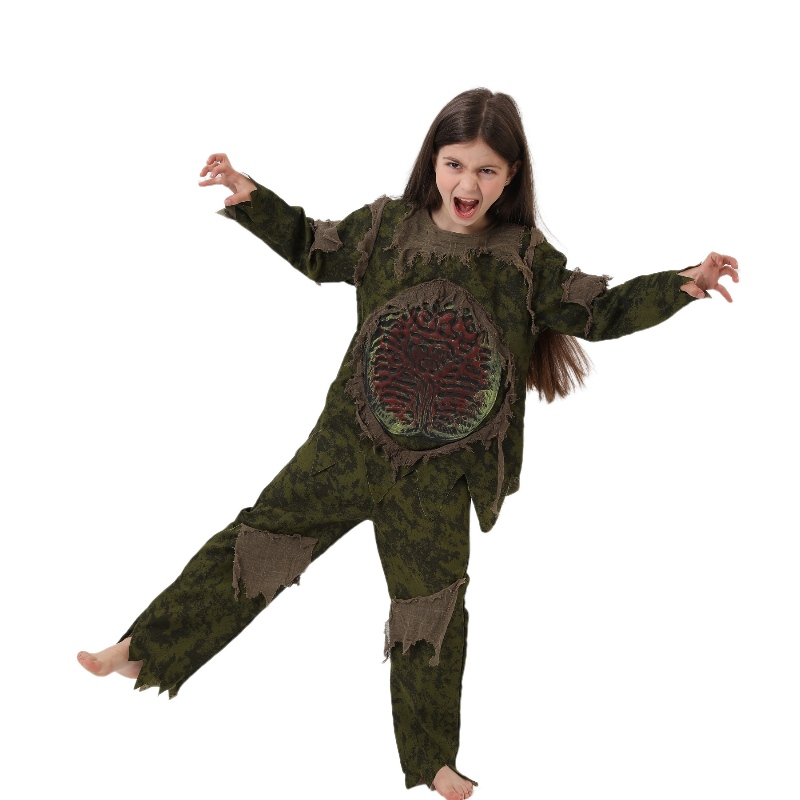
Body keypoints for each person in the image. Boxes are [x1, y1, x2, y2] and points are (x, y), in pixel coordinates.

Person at [77, 88, 738, 800]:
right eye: (455, 164)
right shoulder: (386, 229)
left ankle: (432, 763)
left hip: (439, 481)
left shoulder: (523, 260)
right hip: (347, 449)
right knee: (257, 542)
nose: (467, 184)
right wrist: (250, 196)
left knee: (430, 611)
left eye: (486, 171)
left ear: (511, 177)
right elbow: (313, 246)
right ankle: (142, 649)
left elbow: (599, 309)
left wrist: (686, 284)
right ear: (434, 161)